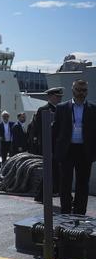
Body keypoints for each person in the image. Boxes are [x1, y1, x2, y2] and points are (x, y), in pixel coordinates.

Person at [53, 80, 96, 215]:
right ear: (73, 90)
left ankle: (80, 213)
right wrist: (55, 150)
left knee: (83, 184)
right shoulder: (61, 108)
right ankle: (65, 211)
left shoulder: (94, 109)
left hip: (85, 150)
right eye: (78, 90)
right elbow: (56, 131)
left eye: (84, 90)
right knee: (65, 183)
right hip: (67, 150)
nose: (81, 93)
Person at [29, 87, 63, 201]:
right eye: (57, 96)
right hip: (49, 146)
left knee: (53, 171)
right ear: (51, 97)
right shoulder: (43, 109)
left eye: (60, 97)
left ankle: (40, 195)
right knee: (51, 170)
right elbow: (40, 130)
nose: (59, 98)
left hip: (58, 146)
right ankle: (43, 194)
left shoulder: (61, 109)